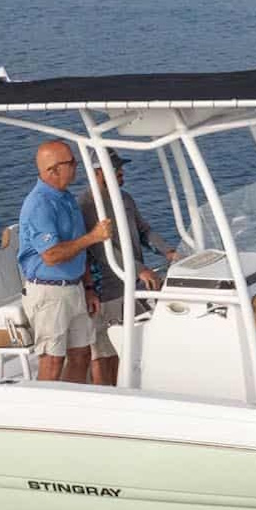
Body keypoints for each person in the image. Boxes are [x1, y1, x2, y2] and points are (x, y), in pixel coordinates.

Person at [17, 140, 114, 382]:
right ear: (53, 170)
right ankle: (42, 406)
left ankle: (71, 401)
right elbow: (51, 255)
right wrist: (93, 237)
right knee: (52, 361)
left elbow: (77, 248)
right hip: (50, 293)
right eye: (71, 162)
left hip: (74, 288)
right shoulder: (40, 204)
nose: (76, 166)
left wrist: (88, 287)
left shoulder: (66, 198)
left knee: (81, 355)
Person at [80, 150, 179, 386]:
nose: (121, 172)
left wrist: (168, 251)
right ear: (97, 173)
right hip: (107, 290)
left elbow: (144, 230)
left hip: (131, 285)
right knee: (104, 352)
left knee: (132, 345)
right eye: (115, 169)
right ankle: (105, 395)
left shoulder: (125, 199)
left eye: (119, 167)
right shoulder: (86, 206)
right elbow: (101, 251)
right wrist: (139, 269)